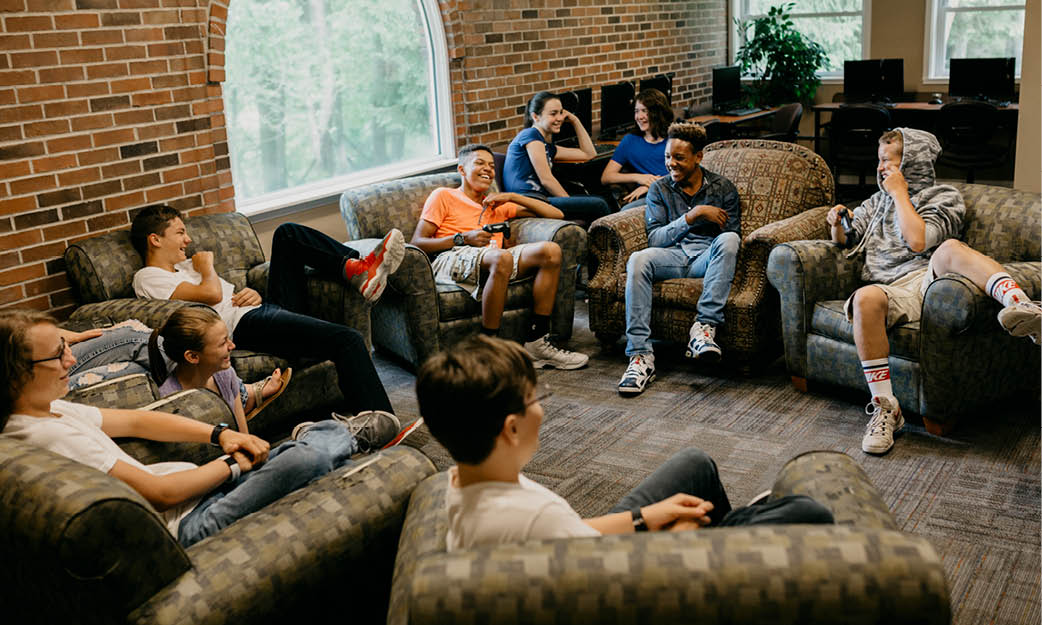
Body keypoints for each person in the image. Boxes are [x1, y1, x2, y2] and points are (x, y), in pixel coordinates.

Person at [0, 309, 400, 548]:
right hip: (189, 523)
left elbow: (139, 419)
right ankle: (341, 437)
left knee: (286, 456)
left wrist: (220, 434)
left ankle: (315, 440)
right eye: (58, 354)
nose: (72, 359)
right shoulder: (44, 436)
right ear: (18, 372)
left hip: (197, 492)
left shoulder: (50, 409)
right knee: (300, 462)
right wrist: (234, 462)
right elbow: (159, 493)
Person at [415, 334, 833, 549]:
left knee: (694, 464)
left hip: (580, 549)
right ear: (511, 428)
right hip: (634, 585)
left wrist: (646, 518)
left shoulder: (466, 480)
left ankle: (734, 529)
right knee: (809, 512)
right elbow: (616, 578)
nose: (541, 408)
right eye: (535, 399)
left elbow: (572, 532)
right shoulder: (532, 515)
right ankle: (731, 540)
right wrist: (681, 540)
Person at [827, 127, 1042, 455]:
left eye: (888, 160)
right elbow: (846, 239)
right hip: (889, 289)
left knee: (950, 247)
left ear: (912, 163)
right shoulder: (875, 202)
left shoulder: (942, 196)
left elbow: (918, 241)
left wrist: (901, 194)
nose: (880, 167)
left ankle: (1022, 305)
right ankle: (887, 409)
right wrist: (836, 221)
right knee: (866, 297)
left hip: (929, 279)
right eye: (879, 160)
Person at [130, 205, 402, 417]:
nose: (187, 240)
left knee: (288, 234)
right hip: (243, 327)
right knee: (347, 339)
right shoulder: (148, 277)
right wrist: (207, 266)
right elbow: (211, 295)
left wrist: (254, 293)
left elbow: (226, 296)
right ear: (155, 239)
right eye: (180, 232)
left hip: (259, 312)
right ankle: (379, 421)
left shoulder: (187, 267)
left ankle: (357, 269)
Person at [410, 144, 588, 370]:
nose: (488, 169)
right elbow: (418, 243)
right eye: (480, 163)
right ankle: (489, 348)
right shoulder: (444, 196)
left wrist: (512, 196)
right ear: (462, 170)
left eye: (492, 165)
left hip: (493, 257)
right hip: (451, 256)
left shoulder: (498, 205)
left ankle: (536, 342)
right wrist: (463, 238)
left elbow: (557, 214)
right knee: (501, 258)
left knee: (550, 251)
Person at [617, 122, 741, 395]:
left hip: (706, 257)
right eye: (667, 157)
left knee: (730, 240)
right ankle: (640, 357)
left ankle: (704, 328)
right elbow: (656, 240)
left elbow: (729, 244)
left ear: (698, 157)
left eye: (679, 158)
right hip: (672, 255)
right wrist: (693, 215)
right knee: (638, 259)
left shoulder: (723, 189)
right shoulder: (659, 190)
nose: (671, 164)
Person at [502, 91, 613, 222]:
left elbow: (589, 153)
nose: (560, 118)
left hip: (540, 199)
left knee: (597, 200)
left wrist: (574, 120)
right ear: (535, 117)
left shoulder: (547, 146)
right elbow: (546, 180)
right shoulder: (530, 135)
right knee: (599, 204)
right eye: (553, 114)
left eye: (561, 112)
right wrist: (572, 204)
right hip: (529, 200)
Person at [600, 88, 673, 208]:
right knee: (625, 211)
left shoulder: (674, 138)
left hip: (673, 191)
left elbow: (687, 172)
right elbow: (606, 177)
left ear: (658, 112)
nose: (639, 116)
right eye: (636, 111)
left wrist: (651, 185)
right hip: (651, 197)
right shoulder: (630, 141)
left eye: (644, 111)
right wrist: (639, 178)